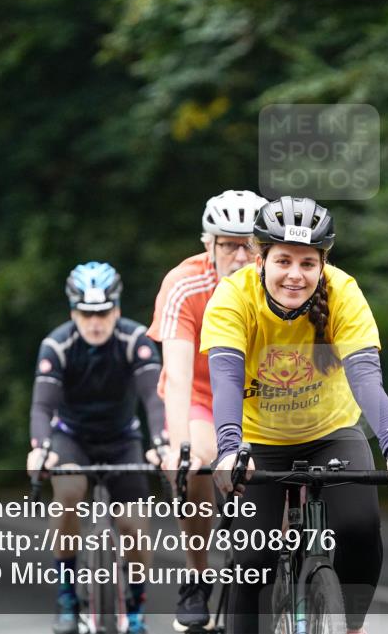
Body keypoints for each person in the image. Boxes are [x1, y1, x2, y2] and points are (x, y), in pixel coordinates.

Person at [201, 196, 388, 634]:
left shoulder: (344, 292)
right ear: (259, 258)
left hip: (331, 432)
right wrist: (229, 450)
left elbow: (365, 378)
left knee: (359, 527)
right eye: (283, 260)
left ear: (323, 264)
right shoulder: (232, 297)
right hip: (258, 439)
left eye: (308, 263)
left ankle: (350, 625)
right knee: (254, 560)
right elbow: (225, 380)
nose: (295, 275)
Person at [146, 189, 267, 631]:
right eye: (228, 243)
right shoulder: (185, 285)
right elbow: (176, 376)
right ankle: (197, 577)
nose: (240, 254)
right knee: (197, 465)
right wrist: (180, 447)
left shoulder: (279, 282)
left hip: (262, 398)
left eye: (250, 243)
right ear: (208, 244)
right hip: (200, 396)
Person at [25, 261, 166, 634]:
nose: (95, 322)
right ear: (74, 312)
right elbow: (42, 406)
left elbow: (154, 397)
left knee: (134, 525)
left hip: (123, 439)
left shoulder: (135, 340)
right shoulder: (57, 344)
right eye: (86, 314)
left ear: (117, 309)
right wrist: (40, 448)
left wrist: (162, 442)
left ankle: (136, 606)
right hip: (72, 437)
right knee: (67, 492)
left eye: (103, 312)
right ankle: (67, 594)